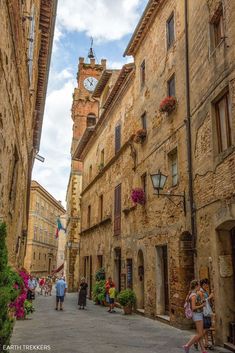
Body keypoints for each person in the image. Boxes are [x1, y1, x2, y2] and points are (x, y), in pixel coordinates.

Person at [183, 279, 207, 353]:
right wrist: (202, 305)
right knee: (200, 333)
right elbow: (193, 308)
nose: (200, 286)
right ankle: (187, 345)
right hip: (197, 315)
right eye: (199, 285)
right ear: (196, 285)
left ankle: (203, 350)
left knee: (200, 333)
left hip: (197, 315)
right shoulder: (193, 295)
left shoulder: (194, 293)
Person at [200, 279, 214, 349]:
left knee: (206, 328)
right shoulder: (201, 291)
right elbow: (202, 301)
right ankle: (196, 340)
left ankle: (206, 343)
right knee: (206, 328)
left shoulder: (205, 291)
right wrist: (210, 297)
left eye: (207, 284)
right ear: (203, 284)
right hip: (204, 312)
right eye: (206, 284)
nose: (207, 285)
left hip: (206, 311)